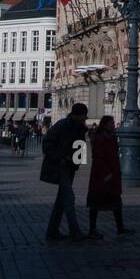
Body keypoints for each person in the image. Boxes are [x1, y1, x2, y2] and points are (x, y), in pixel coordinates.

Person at [41, 102, 88, 242]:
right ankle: (74, 231)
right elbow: (47, 143)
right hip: (61, 166)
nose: (85, 118)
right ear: (78, 115)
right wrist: (59, 158)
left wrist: (78, 162)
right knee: (69, 199)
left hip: (70, 167)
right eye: (84, 115)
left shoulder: (79, 127)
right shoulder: (63, 125)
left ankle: (52, 231)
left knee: (61, 200)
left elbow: (81, 147)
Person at [86, 116, 132, 237]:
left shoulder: (111, 137)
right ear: (105, 125)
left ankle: (120, 228)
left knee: (116, 203)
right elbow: (98, 157)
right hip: (102, 176)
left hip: (112, 175)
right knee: (96, 203)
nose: (113, 125)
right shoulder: (100, 138)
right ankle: (92, 229)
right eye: (111, 123)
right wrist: (107, 173)